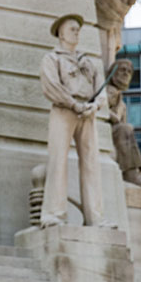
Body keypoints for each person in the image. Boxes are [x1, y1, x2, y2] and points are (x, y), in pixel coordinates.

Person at [39, 14, 113, 228]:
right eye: (72, 29)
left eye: (78, 29)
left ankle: (96, 217)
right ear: (61, 33)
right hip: (64, 111)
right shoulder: (52, 59)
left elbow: (101, 88)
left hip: (87, 112)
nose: (76, 32)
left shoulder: (87, 61)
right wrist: (73, 104)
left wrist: (95, 105)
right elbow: (51, 86)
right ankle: (54, 214)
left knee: (91, 163)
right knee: (58, 161)